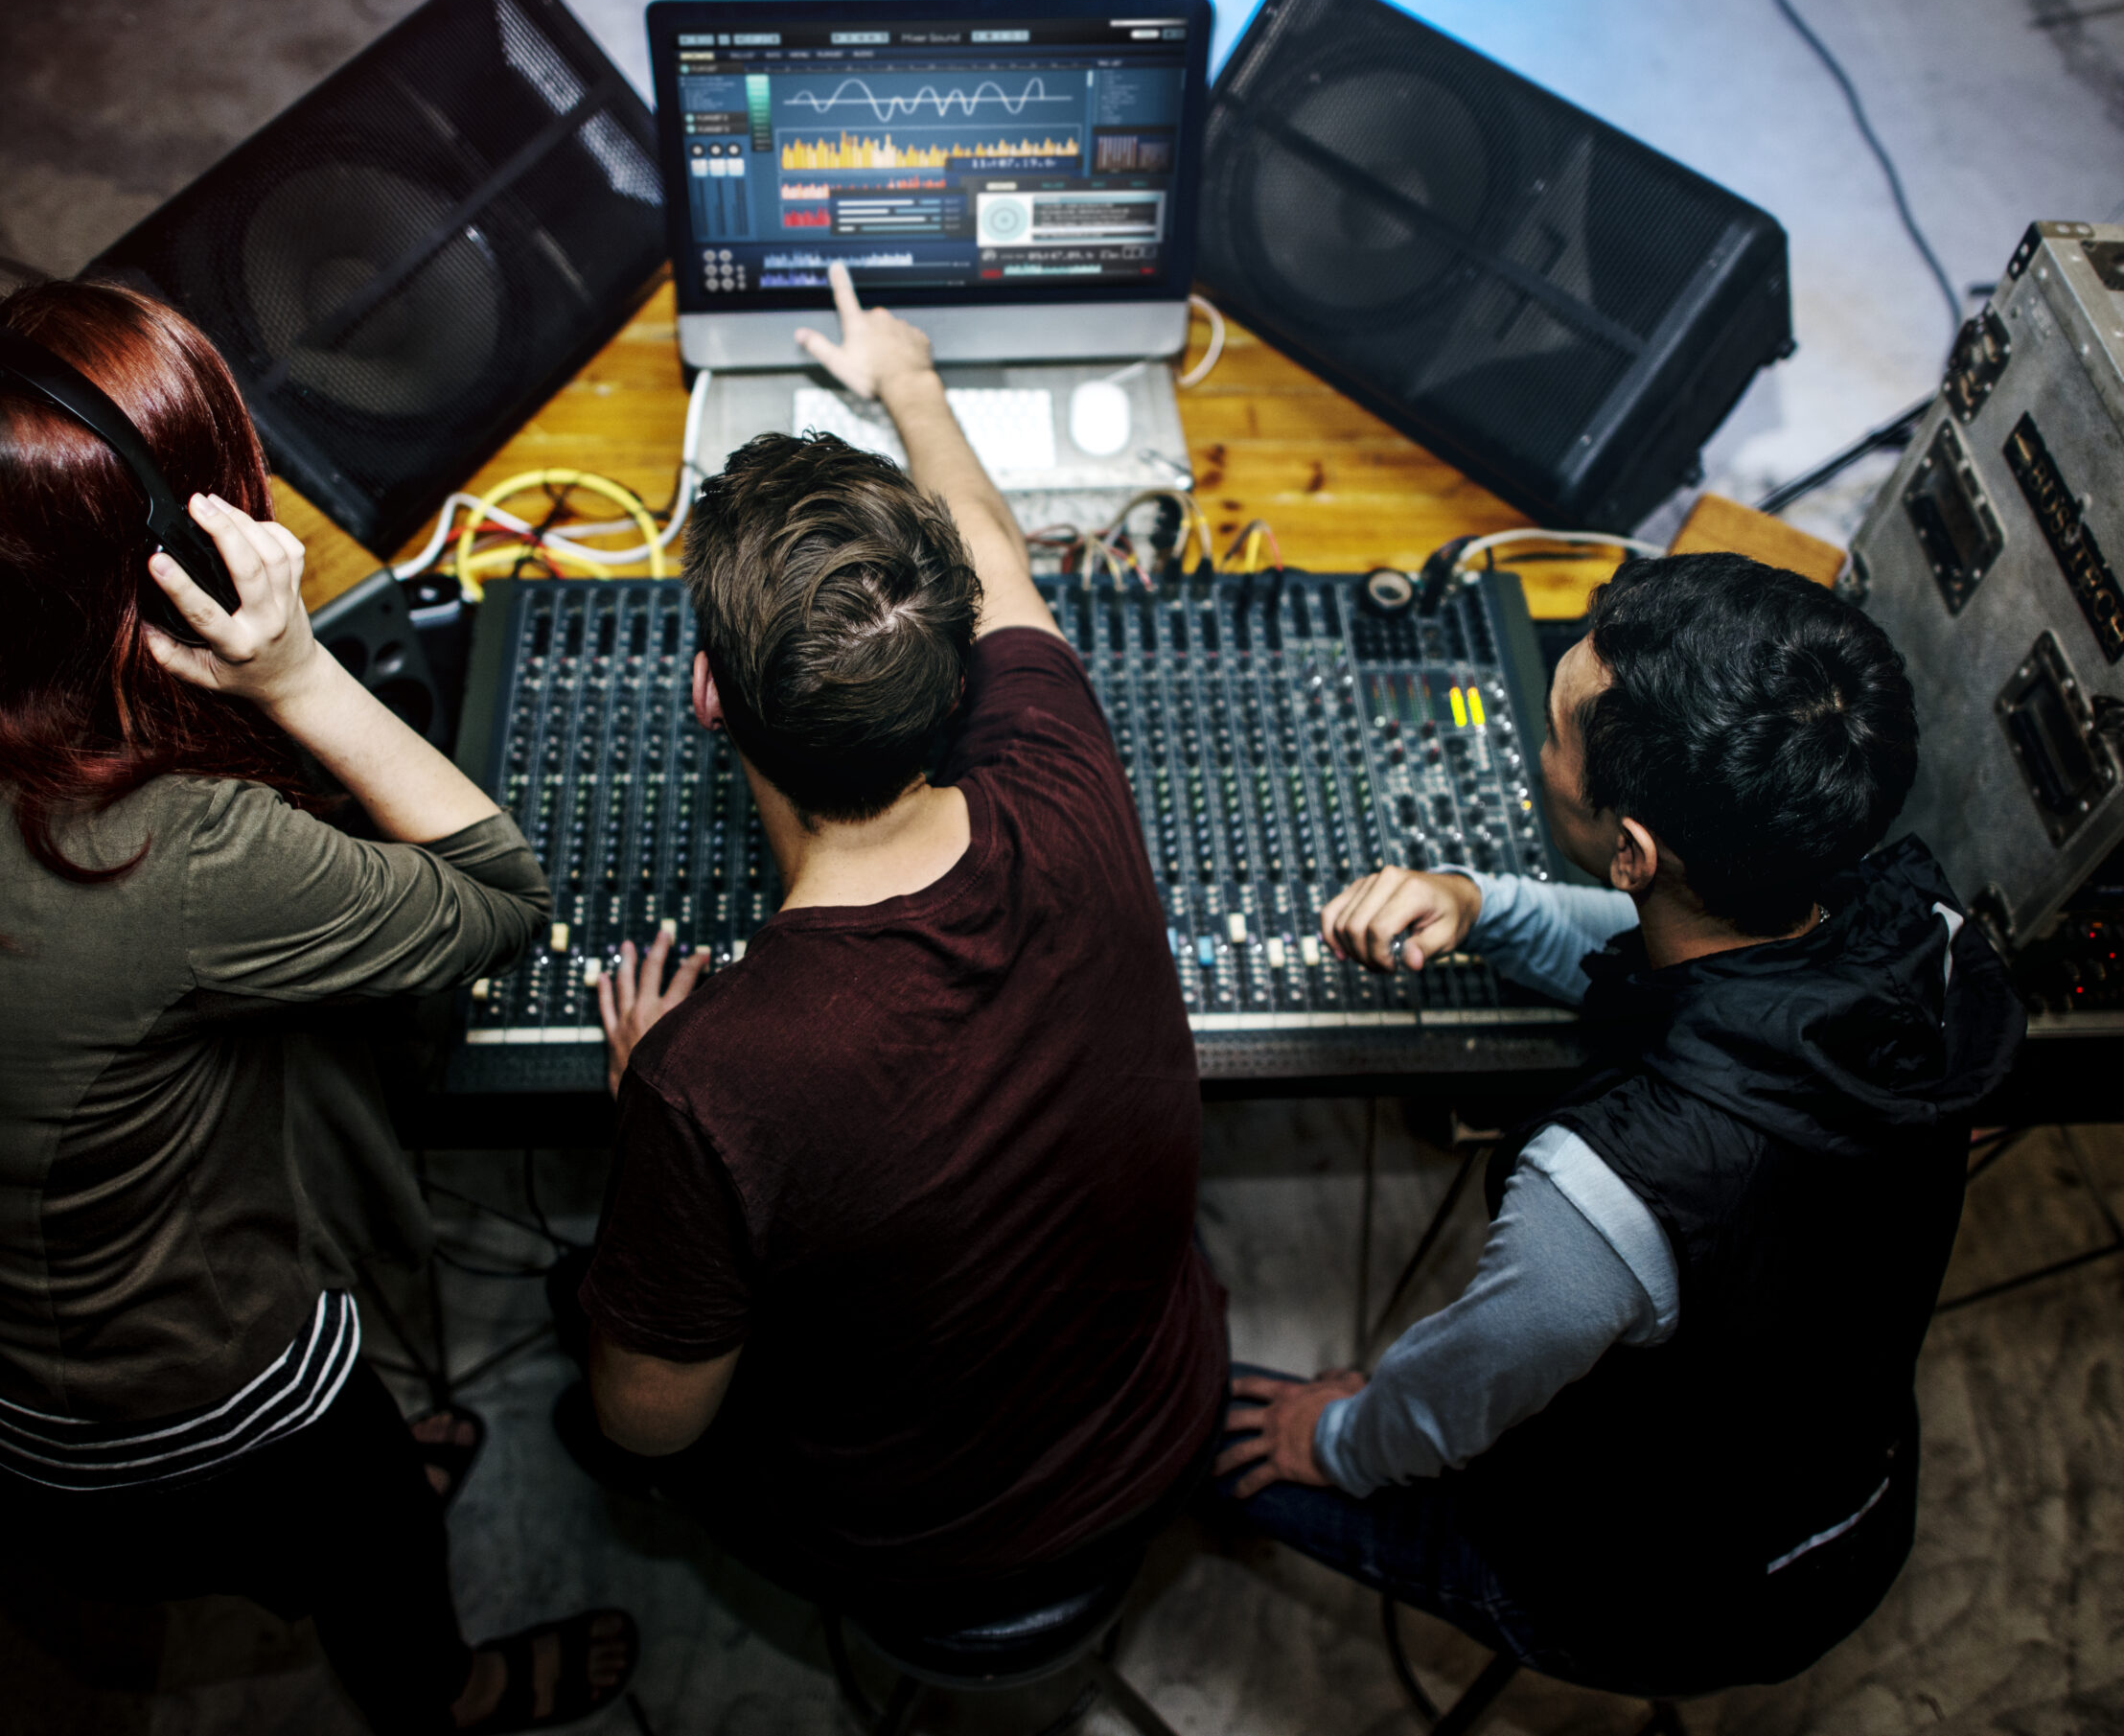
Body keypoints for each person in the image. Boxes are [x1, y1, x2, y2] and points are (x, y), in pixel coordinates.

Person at [0, 280, 635, 1733]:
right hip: (167, 1394)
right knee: (368, 1535)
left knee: (366, 1472)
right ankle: (442, 1691)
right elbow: (496, 900)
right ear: (162, 560)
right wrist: (297, 672)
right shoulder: (179, 851)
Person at [1212, 551, 2024, 1695]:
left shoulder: (1598, 1199)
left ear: (1634, 849)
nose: (1536, 743)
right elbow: (1694, 965)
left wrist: (1338, 1436)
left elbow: (1455, 1397)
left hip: (1664, 1597)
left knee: (1182, 1426)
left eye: (1551, 733)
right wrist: (1481, 903)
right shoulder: (1922, 930)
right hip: (1854, 1492)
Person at [567, 263, 1227, 1614]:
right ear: (963, 672)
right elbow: (990, 542)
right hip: (1164, 1411)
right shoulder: (1061, 757)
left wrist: (648, 1108)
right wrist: (909, 381)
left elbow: (653, 1426)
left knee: (589, 1406)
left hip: (931, 1540)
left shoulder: (713, 1080)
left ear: (713, 699)